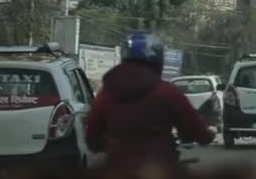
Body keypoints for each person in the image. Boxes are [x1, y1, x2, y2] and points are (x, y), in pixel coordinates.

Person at [85, 32, 215, 167]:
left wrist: (109, 145)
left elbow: (92, 138)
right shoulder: (167, 92)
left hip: (118, 168)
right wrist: (206, 135)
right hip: (159, 167)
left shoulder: (106, 94)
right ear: (157, 60)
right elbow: (195, 127)